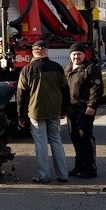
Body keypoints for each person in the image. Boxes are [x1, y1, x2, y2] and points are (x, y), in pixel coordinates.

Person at [16, 40, 70, 183]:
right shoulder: (57, 68)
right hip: (54, 110)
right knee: (56, 141)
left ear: (33, 52)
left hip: (36, 112)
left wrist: (21, 116)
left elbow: (21, 95)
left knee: (40, 143)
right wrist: (64, 109)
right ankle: (63, 174)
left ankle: (44, 176)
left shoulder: (26, 70)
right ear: (46, 51)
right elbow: (65, 90)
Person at [64, 42, 103, 179]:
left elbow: (96, 89)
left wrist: (91, 106)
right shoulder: (68, 69)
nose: (76, 57)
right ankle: (79, 167)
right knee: (75, 139)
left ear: (84, 54)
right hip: (71, 109)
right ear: (70, 55)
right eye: (74, 54)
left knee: (85, 139)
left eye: (78, 54)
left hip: (84, 109)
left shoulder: (91, 68)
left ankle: (90, 169)